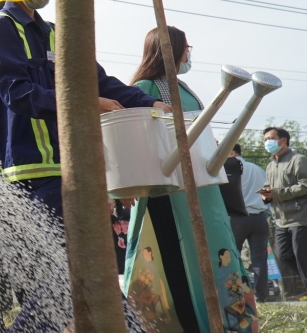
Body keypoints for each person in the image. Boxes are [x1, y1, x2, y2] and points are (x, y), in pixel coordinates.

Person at [123, 25, 257, 332]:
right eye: (186, 46)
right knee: (179, 263)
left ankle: (224, 324)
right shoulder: (145, 88)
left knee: (215, 257)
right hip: (168, 194)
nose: (189, 52)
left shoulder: (183, 88)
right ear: (169, 50)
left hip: (203, 190)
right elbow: (134, 140)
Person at [0, 0, 169, 220]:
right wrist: (87, 105)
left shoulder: (54, 33)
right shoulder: (1, 26)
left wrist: (150, 102)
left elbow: (99, 82)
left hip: (71, 167)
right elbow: (17, 93)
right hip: (31, 172)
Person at [262, 126, 307, 297]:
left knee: (301, 256)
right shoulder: (270, 166)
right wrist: (265, 195)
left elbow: (305, 184)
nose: (267, 142)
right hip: (280, 219)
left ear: (283, 140)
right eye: (265, 139)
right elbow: (268, 188)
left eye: (271, 138)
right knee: (283, 254)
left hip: (300, 217)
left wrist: (278, 194)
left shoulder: (298, 159)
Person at [229, 144, 270, 302]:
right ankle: (261, 297)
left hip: (238, 218)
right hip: (259, 217)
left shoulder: (228, 168)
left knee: (233, 257)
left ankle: (236, 295)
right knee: (259, 260)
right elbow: (267, 192)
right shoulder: (257, 168)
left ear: (232, 152)